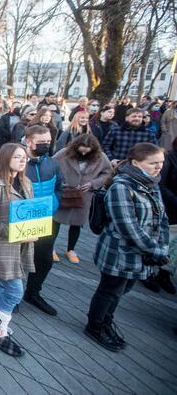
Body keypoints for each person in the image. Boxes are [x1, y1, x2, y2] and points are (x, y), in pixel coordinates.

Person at [85, 143, 169, 351]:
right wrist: (156, 250)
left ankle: (106, 322)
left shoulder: (151, 182)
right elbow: (127, 227)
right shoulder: (122, 186)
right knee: (109, 290)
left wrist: (163, 245)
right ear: (135, 163)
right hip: (119, 251)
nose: (159, 167)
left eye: (161, 163)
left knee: (122, 290)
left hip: (141, 252)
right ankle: (95, 326)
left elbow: (161, 219)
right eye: (153, 163)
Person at [0, 143, 34, 357]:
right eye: (18, 157)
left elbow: (31, 211)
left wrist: (35, 227)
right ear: (5, 158)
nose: (23, 160)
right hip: (1, 245)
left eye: (25, 157)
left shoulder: (26, 182)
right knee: (15, 291)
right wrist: (12, 231)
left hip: (21, 244)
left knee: (1, 281)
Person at [22, 125, 63, 316]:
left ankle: (33, 292)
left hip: (46, 218)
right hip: (22, 219)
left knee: (44, 260)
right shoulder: (18, 161)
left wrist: (53, 205)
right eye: (41, 142)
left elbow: (59, 187)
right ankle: (10, 294)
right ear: (29, 141)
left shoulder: (52, 163)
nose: (46, 145)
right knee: (17, 260)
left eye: (48, 142)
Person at [52, 135, 112, 263]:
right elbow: (51, 166)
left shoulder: (101, 157)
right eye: (82, 149)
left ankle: (71, 249)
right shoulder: (64, 153)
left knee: (77, 223)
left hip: (84, 196)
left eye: (87, 150)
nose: (84, 152)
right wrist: (60, 182)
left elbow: (108, 173)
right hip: (64, 192)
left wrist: (93, 183)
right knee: (56, 220)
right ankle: (51, 247)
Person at [157, 137, 177, 294]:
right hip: (168, 208)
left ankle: (165, 274)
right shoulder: (169, 158)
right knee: (165, 240)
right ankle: (150, 273)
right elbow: (161, 184)